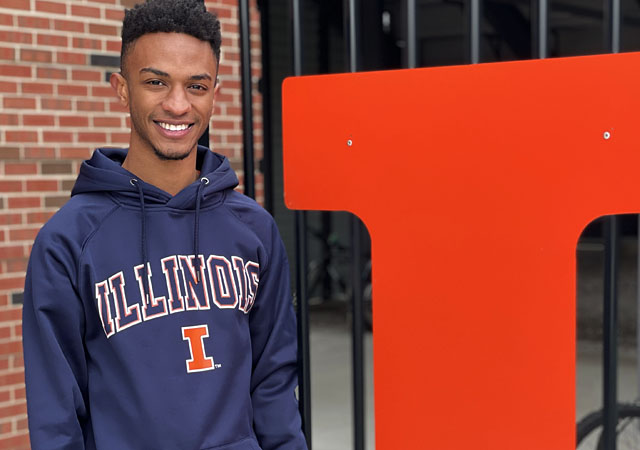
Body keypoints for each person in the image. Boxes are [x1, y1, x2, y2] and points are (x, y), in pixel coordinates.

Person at [22, 1, 307, 449]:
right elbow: (57, 415)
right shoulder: (68, 240)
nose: (177, 105)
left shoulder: (255, 229)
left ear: (215, 93)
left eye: (196, 85)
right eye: (156, 82)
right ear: (121, 89)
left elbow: (273, 385)